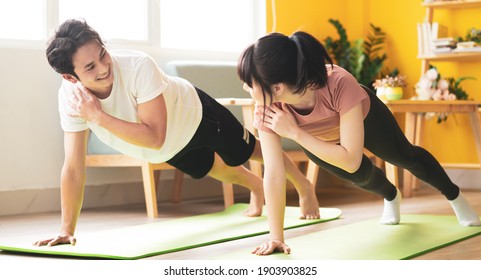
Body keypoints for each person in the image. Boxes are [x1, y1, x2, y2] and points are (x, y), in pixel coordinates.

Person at [33, 19, 319, 247]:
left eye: (103, 54)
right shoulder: (70, 99)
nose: (105, 66)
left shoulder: (137, 66)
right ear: (70, 77)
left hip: (196, 114)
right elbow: (72, 167)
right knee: (221, 170)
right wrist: (66, 230)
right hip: (170, 147)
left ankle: (303, 186)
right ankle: (256, 186)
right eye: (90, 67)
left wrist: (98, 116)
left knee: (251, 151)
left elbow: (155, 135)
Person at [238, 31, 481, 256]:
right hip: (321, 141)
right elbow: (274, 174)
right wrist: (276, 237)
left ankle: (455, 196)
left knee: (405, 157)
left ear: (277, 87)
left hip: (366, 119)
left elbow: (351, 159)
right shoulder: (266, 107)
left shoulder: (338, 82)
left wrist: (296, 133)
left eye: (250, 83)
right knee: (359, 176)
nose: (245, 88)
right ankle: (391, 196)